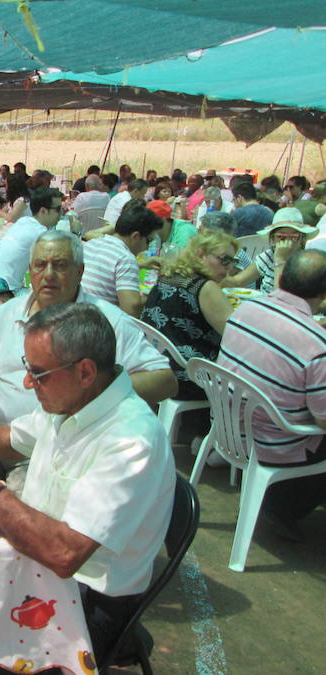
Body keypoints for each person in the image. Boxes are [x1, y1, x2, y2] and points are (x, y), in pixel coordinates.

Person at [0, 302, 175, 663]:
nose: (27, 382)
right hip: (38, 565)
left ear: (84, 372)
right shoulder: (76, 401)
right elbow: (10, 437)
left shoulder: (130, 442)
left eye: (38, 373)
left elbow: (64, 554)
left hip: (86, 603)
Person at [0, 229, 176, 428]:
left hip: (53, 451)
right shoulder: (9, 312)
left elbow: (164, 381)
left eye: (60, 265)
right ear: (30, 271)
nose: (48, 274)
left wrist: (89, 392)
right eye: (40, 265)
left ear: (79, 272)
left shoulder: (106, 320)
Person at [217, 249, 326, 540]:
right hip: (273, 445)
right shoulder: (316, 344)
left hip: (229, 429)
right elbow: (323, 420)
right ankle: (285, 507)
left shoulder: (245, 309)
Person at [140, 229, 237, 399]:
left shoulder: (168, 276)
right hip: (190, 378)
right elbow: (236, 337)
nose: (229, 267)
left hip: (153, 367)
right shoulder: (204, 288)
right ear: (201, 254)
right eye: (224, 260)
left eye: (233, 261)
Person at [82, 203, 163, 317]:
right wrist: (157, 294)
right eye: (148, 241)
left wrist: (141, 265)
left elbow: (108, 269)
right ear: (135, 236)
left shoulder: (92, 243)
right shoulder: (126, 258)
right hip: (100, 323)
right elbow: (131, 310)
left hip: (80, 313)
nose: (147, 248)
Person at [222, 208, 319, 294]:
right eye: (281, 237)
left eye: (294, 237)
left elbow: (282, 297)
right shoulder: (269, 256)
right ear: (273, 239)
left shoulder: (305, 262)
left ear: (302, 239)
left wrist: (280, 260)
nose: (288, 242)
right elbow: (238, 281)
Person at [0, 187, 62, 290]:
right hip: (7, 292)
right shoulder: (40, 234)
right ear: (43, 211)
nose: (61, 214)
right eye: (58, 209)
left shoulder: (23, 222)